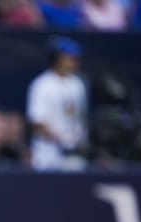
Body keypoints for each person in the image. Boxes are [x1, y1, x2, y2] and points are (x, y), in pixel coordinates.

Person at [26, 36, 88, 171]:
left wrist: (79, 140)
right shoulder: (42, 84)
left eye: (75, 58)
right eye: (68, 57)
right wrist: (61, 139)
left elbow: (79, 116)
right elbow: (37, 122)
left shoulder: (77, 84)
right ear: (56, 58)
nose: (73, 62)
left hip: (74, 154)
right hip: (47, 154)